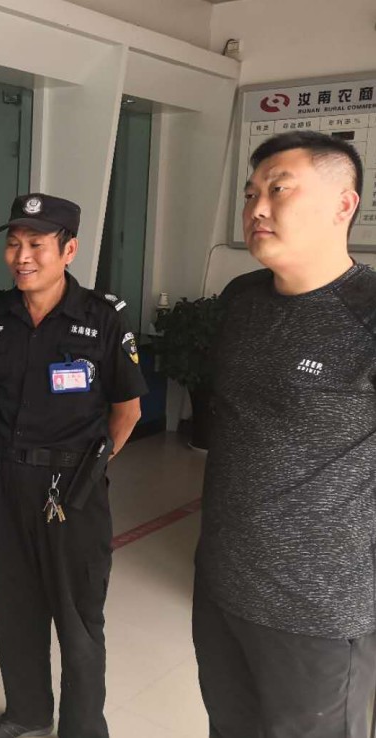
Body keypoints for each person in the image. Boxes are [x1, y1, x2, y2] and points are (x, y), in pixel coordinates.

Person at [194, 130, 376, 738]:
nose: (257, 208)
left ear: (343, 204)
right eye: (251, 193)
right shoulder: (242, 299)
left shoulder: (368, 313)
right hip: (221, 583)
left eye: (279, 189)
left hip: (317, 610)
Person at [0, 193, 147, 738]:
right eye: (14, 243)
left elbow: (127, 412)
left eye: (37, 244)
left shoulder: (102, 318)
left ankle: (82, 728)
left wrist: (85, 468)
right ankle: (26, 712)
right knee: (14, 605)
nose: (22, 256)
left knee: (78, 615)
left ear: (68, 250)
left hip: (72, 487)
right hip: (5, 479)